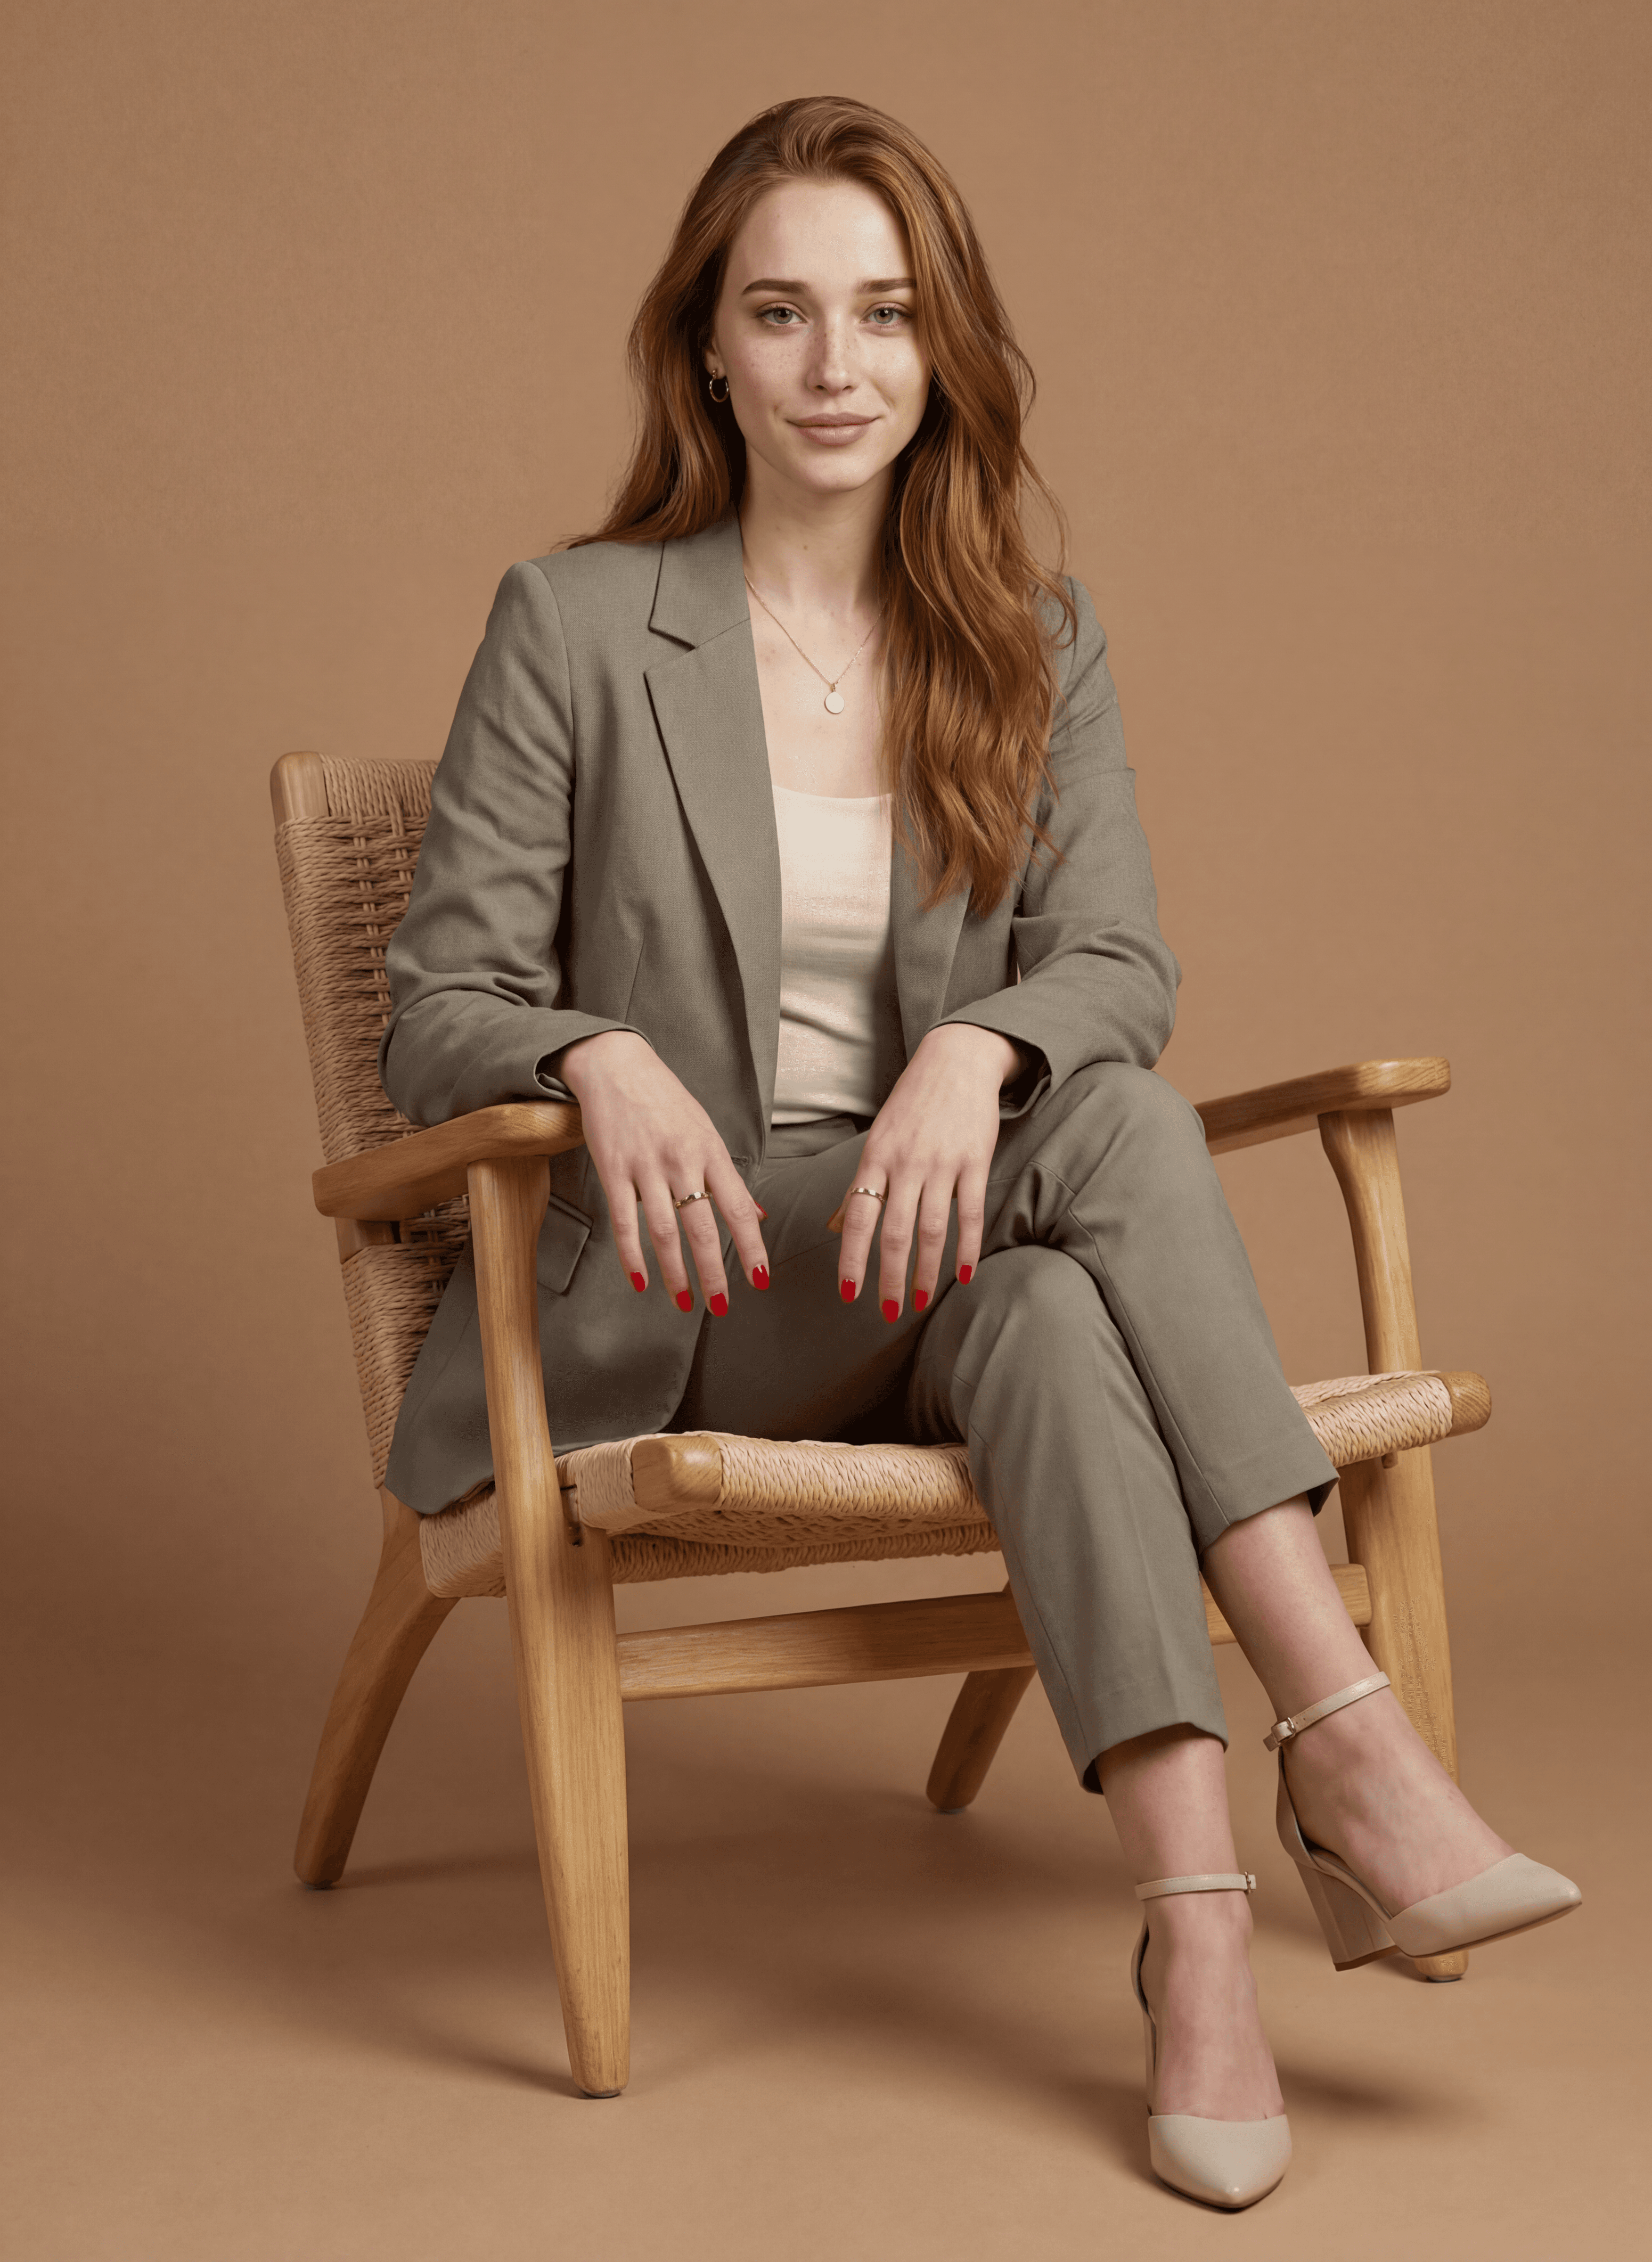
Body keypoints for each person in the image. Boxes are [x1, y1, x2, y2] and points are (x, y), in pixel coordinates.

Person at [377, 95, 1579, 2210]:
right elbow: (432, 1010)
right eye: (781, 312)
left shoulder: (1026, 636)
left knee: (1042, 1292)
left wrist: (968, 1061)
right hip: (703, 1291)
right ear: (709, 351)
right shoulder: (576, 627)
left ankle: (1196, 1937)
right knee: (1098, 1119)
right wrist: (592, 1057)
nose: (835, 364)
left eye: (882, 312)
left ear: (941, 352)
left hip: (944, 1275)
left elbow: (1108, 955)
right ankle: (1353, 1746)